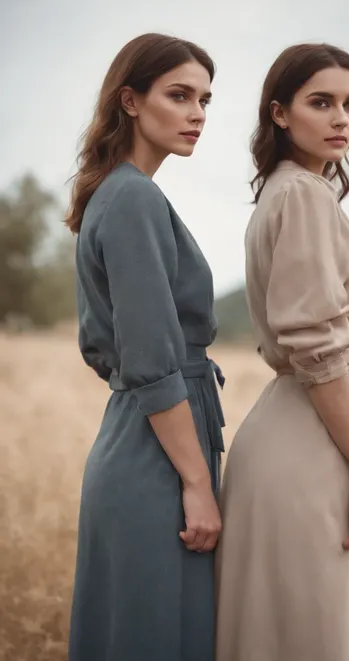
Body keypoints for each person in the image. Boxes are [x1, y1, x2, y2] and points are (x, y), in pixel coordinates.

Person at [215, 43, 349, 661]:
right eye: (322, 103)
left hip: (296, 436)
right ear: (280, 114)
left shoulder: (287, 193)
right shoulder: (303, 196)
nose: (342, 118)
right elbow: (317, 344)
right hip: (306, 446)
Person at [65, 33, 225, 661]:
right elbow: (152, 359)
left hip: (144, 440)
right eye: (179, 95)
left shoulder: (120, 193)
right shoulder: (131, 198)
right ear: (130, 101)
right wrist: (197, 483)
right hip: (157, 457)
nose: (197, 115)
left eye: (205, 100)